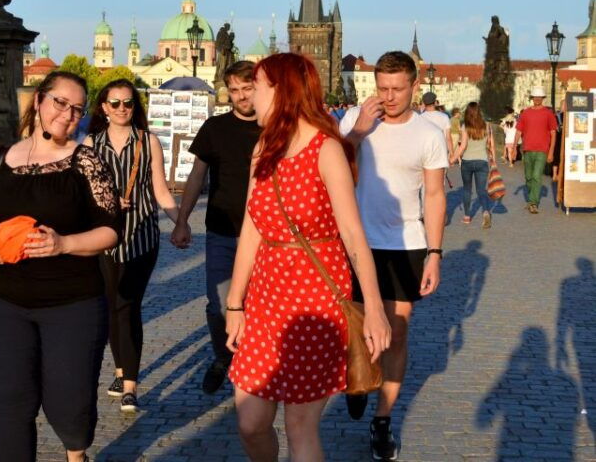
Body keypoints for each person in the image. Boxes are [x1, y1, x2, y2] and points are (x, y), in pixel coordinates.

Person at [224, 53, 391, 462]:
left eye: (258, 87)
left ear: (281, 91)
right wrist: (235, 302)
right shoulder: (264, 145)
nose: (250, 97)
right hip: (265, 298)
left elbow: (353, 236)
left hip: (314, 299)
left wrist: (373, 308)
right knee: (251, 422)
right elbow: (251, 227)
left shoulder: (326, 148)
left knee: (300, 427)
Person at [0, 71, 119, 462]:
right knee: (10, 403)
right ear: (39, 101)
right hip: (0, 302)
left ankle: (76, 452)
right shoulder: (0, 158)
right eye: (61, 103)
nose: (68, 114)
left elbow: (111, 231)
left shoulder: (86, 161)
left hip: (71, 303)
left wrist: (64, 243)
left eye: (78, 109)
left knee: (69, 405)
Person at [339, 51, 448, 461]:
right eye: (382, 88)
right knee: (356, 327)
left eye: (397, 89)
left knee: (397, 332)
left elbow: (435, 196)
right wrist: (358, 134)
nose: (388, 96)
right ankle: (358, 376)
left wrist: (435, 253)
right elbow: (332, 170)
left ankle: (382, 420)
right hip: (356, 241)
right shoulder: (355, 120)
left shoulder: (428, 133)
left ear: (414, 86)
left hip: (406, 243)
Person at [84, 79, 179, 413]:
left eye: (128, 103)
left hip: (141, 237)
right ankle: (121, 367)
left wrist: (179, 222)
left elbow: (162, 190)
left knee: (127, 304)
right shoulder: (91, 144)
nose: (122, 108)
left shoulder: (148, 141)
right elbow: (82, 196)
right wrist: (105, 206)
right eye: (115, 103)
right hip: (103, 239)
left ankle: (130, 386)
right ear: (103, 108)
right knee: (110, 307)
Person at [171, 60, 262, 394]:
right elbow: (197, 175)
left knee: (260, 304)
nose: (240, 96)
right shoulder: (215, 128)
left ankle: (253, 361)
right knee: (219, 303)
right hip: (222, 229)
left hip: (266, 235)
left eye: (246, 89)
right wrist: (182, 219)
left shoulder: (276, 128)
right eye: (234, 90)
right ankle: (223, 357)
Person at [450, 102, 497, 228]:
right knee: (481, 190)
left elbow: (463, 146)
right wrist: (494, 160)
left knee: (467, 189)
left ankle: (466, 216)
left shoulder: (465, 127)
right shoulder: (487, 126)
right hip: (482, 161)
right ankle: (486, 212)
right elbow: (491, 144)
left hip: (467, 162)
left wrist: (452, 159)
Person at [512, 86, 557, 214]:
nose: (537, 99)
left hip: (542, 151)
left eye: (539, 97)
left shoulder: (548, 114)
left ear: (543, 98)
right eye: (535, 97)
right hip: (527, 150)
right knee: (528, 177)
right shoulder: (525, 113)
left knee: (537, 176)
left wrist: (551, 151)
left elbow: (553, 134)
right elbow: (518, 131)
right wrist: (515, 147)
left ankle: (533, 202)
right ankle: (532, 197)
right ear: (532, 98)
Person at [420, 91, 455, 162]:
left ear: (424, 103)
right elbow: (448, 138)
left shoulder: (420, 118)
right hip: (441, 152)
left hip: (425, 153)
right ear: (435, 102)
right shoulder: (444, 117)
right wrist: (451, 154)